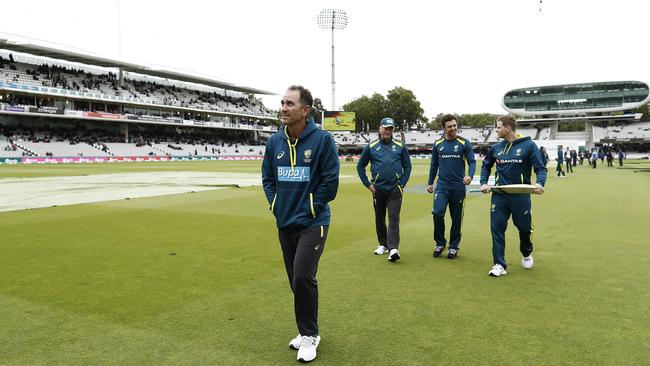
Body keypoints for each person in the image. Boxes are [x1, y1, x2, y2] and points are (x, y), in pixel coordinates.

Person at [262, 85, 339, 363]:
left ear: (305, 110)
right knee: (296, 280)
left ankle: (309, 335)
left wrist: (310, 207)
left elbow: (330, 183)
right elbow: (268, 179)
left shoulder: (322, 140)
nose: (283, 107)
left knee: (303, 276)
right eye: (282, 102)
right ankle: (308, 330)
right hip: (285, 222)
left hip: (313, 222)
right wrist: (275, 205)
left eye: (290, 103)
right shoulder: (274, 142)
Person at [480, 115, 547, 277]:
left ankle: (526, 252)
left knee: (524, 229)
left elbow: (540, 168)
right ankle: (499, 264)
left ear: (508, 128)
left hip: (521, 195)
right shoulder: (496, 148)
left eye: (498, 127)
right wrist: (483, 182)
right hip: (499, 195)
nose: (496, 130)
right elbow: (486, 165)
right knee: (496, 229)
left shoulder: (529, 145)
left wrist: (539, 184)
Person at [357, 117, 411, 262]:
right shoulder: (371, 146)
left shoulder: (400, 145)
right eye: (385, 128)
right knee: (379, 218)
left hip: (394, 188)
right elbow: (360, 166)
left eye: (390, 128)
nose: (387, 131)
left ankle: (393, 248)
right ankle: (383, 244)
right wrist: (368, 184)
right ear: (380, 128)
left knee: (393, 218)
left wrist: (402, 184)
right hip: (377, 189)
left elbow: (407, 166)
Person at [427, 114, 476, 259]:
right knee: (437, 212)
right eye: (450, 126)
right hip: (442, 186)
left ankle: (454, 247)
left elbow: (472, 162)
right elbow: (434, 164)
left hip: (458, 187)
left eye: (455, 125)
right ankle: (440, 242)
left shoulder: (464, 143)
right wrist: (430, 182)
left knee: (456, 218)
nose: (454, 128)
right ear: (444, 128)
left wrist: (470, 175)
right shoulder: (437, 144)